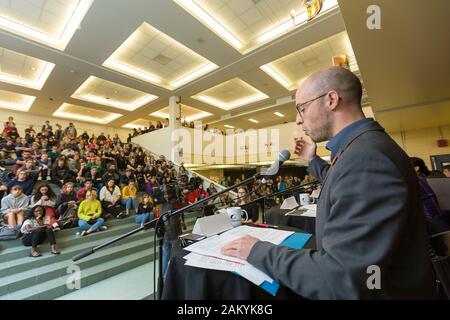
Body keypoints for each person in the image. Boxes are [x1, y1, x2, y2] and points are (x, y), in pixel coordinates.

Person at [221, 67, 435, 299]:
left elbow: (338, 278)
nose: (298, 119)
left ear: (331, 99)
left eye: (302, 108)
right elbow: (340, 182)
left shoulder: (365, 159)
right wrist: (311, 160)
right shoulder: (362, 147)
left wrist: (257, 251)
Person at [410, 157, 450, 234]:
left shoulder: (417, 180)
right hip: (438, 220)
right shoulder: (422, 179)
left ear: (416, 168)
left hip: (434, 222)